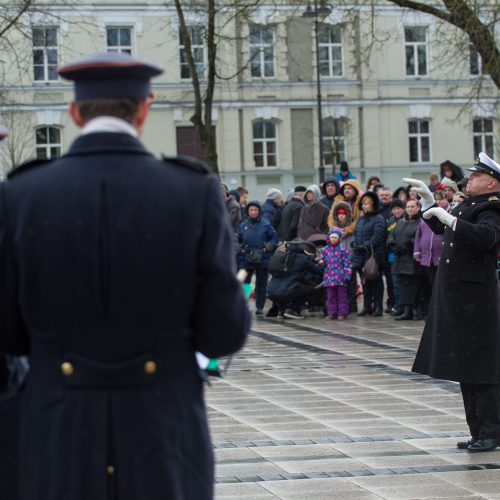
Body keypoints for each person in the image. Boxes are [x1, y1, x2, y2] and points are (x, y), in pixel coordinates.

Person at [0, 53, 250, 499]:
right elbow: (223, 335)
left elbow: (9, 334)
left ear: (75, 113)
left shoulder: (22, 193)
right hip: (163, 424)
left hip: (59, 424)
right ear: (143, 110)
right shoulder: (192, 190)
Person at [404, 152, 500, 452]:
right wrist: (429, 203)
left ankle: (491, 432)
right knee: (466, 368)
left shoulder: (493, 208)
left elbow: (485, 237)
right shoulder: (470, 205)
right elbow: (443, 228)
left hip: (477, 298)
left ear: (492, 183)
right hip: (459, 297)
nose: (468, 178)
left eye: (475, 176)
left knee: (483, 369)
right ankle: (477, 431)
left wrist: (448, 217)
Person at [386, 199, 428, 321]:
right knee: (403, 287)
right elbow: (391, 236)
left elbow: (421, 238)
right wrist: (392, 245)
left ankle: (417, 311)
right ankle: (406, 311)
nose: (409, 209)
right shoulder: (400, 222)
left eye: (412, 206)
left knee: (415, 287)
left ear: (418, 208)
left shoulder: (421, 222)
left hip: (413, 260)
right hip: (399, 259)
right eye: (408, 206)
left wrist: (409, 245)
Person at [238, 200, 278, 315]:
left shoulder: (266, 224)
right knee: (245, 283)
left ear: (259, 211)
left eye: (255, 210)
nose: (253, 212)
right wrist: (240, 248)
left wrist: (267, 247)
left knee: (261, 283)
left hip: (262, 257)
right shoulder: (243, 225)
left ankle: (259, 306)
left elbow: (274, 237)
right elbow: (238, 239)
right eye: (251, 210)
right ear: (248, 211)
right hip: (246, 258)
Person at [266, 240, 323, 319]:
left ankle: (281, 311)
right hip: (286, 292)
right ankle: (293, 310)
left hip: (271, 293)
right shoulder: (302, 258)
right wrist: (322, 264)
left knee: (285, 286)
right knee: (312, 289)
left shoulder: (281, 256)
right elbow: (319, 271)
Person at [351, 192, 386, 316]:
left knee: (376, 282)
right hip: (361, 255)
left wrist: (366, 245)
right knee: (365, 282)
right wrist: (354, 243)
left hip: (373, 256)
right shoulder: (360, 219)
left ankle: (378, 307)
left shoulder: (378, 219)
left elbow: (377, 236)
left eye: (367, 204)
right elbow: (356, 233)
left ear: (373, 205)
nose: (364, 206)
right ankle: (367, 306)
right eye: (363, 204)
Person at [321, 227, 352, 320]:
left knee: (342, 296)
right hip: (329, 278)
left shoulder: (343, 250)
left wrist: (347, 274)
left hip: (340, 277)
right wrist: (321, 262)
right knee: (331, 296)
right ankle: (332, 312)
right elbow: (323, 261)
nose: (333, 239)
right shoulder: (325, 250)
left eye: (335, 237)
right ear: (328, 238)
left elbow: (347, 263)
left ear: (339, 238)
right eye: (332, 237)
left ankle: (342, 313)